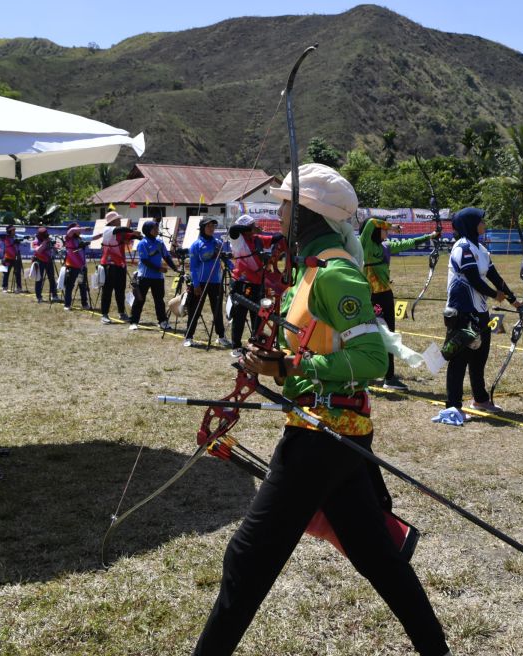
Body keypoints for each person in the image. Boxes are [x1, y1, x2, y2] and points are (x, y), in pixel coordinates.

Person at [193, 163, 450, 656]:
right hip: (328, 436)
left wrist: (293, 365)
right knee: (378, 557)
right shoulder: (309, 273)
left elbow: (371, 359)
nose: (279, 211)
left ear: (306, 213)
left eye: (286, 204)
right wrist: (273, 363)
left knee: (247, 558)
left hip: (323, 439)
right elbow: (307, 353)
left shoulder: (337, 276)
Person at [434, 207, 522, 425]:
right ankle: (453, 406)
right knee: (458, 362)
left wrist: (513, 299)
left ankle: (480, 399)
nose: (484, 224)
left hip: (480, 312)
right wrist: (495, 295)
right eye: (481, 221)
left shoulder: (480, 248)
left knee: (479, 357)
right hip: (462, 313)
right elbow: (474, 279)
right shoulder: (462, 248)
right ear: (471, 224)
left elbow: (494, 276)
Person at [359, 216, 438, 390]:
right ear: (376, 231)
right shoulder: (365, 246)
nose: (387, 232)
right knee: (371, 335)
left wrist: (429, 236)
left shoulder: (385, 247)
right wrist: (393, 226)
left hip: (386, 295)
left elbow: (408, 244)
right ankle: (364, 373)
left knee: (391, 335)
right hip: (371, 297)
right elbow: (372, 223)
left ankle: (389, 377)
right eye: (384, 229)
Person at [226, 214, 285, 347]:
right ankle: (236, 346)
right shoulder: (237, 240)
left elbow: (275, 238)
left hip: (258, 283)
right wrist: (251, 229)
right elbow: (234, 229)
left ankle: (255, 341)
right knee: (240, 315)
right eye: (252, 226)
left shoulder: (256, 239)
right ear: (246, 228)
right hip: (242, 283)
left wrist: (286, 232)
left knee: (258, 314)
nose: (256, 228)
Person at [184, 218, 231, 348]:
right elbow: (193, 267)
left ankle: (221, 336)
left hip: (216, 282)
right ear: (202, 228)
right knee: (195, 310)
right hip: (200, 282)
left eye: (213, 226)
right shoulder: (196, 245)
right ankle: (188, 336)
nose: (211, 228)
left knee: (217, 310)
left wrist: (235, 270)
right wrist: (196, 284)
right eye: (208, 226)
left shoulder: (218, 243)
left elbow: (226, 260)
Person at [128, 220, 181, 331]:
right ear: (148, 230)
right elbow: (145, 260)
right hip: (144, 276)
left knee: (159, 300)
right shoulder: (143, 243)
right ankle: (133, 321)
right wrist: (159, 268)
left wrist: (175, 268)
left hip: (158, 278)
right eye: (155, 229)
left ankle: (162, 321)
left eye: (157, 228)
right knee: (139, 300)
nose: (157, 231)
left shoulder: (159, 243)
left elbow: (166, 257)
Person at [95, 211, 135, 324]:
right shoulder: (107, 230)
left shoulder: (119, 232)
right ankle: (104, 314)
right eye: (118, 219)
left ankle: (122, 313)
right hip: (109, 265)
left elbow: (129, 236)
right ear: (112, 221)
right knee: (107, 291)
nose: (120, 220)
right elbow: (120, 230)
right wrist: (131, 231)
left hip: (120, 265)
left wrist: (137, 235)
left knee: (120, 290)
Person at [61, 224, 91, 311]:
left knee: (82, 285)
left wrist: (101, 234)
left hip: (81, 266)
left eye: (79, 227)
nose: (79, 230)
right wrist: (84, 228)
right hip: (72, 266)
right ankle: (67, 304)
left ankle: (84, 304)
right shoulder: (69, 237)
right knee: (70, 286)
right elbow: (72, 231)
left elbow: (92, 237)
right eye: (77, 228)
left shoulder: (79, 238)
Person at [31, 226, 59, 303]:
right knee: (39, 279)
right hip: (39, 261)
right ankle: (39, 296)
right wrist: (44, 242)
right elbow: (38, 251)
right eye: (44, 235)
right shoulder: (36, 241)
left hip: (48, 260)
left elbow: (55, 249)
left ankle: (54, 295)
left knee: (52, 278)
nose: (46, 236)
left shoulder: (48, 239)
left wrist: (54, 247)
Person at [0, 225, 23, 293]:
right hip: (7, 257)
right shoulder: (6, 237)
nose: (14, 231)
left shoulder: (16, 236)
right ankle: (5, 287)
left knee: (18, 273)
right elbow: (0, 235)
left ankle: (19, 288)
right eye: (12, 230)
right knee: (6, 273)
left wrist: (23, 237)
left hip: (16, 257)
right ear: (9, 231)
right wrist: (12, 240)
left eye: (14, 230)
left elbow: (21, 236)